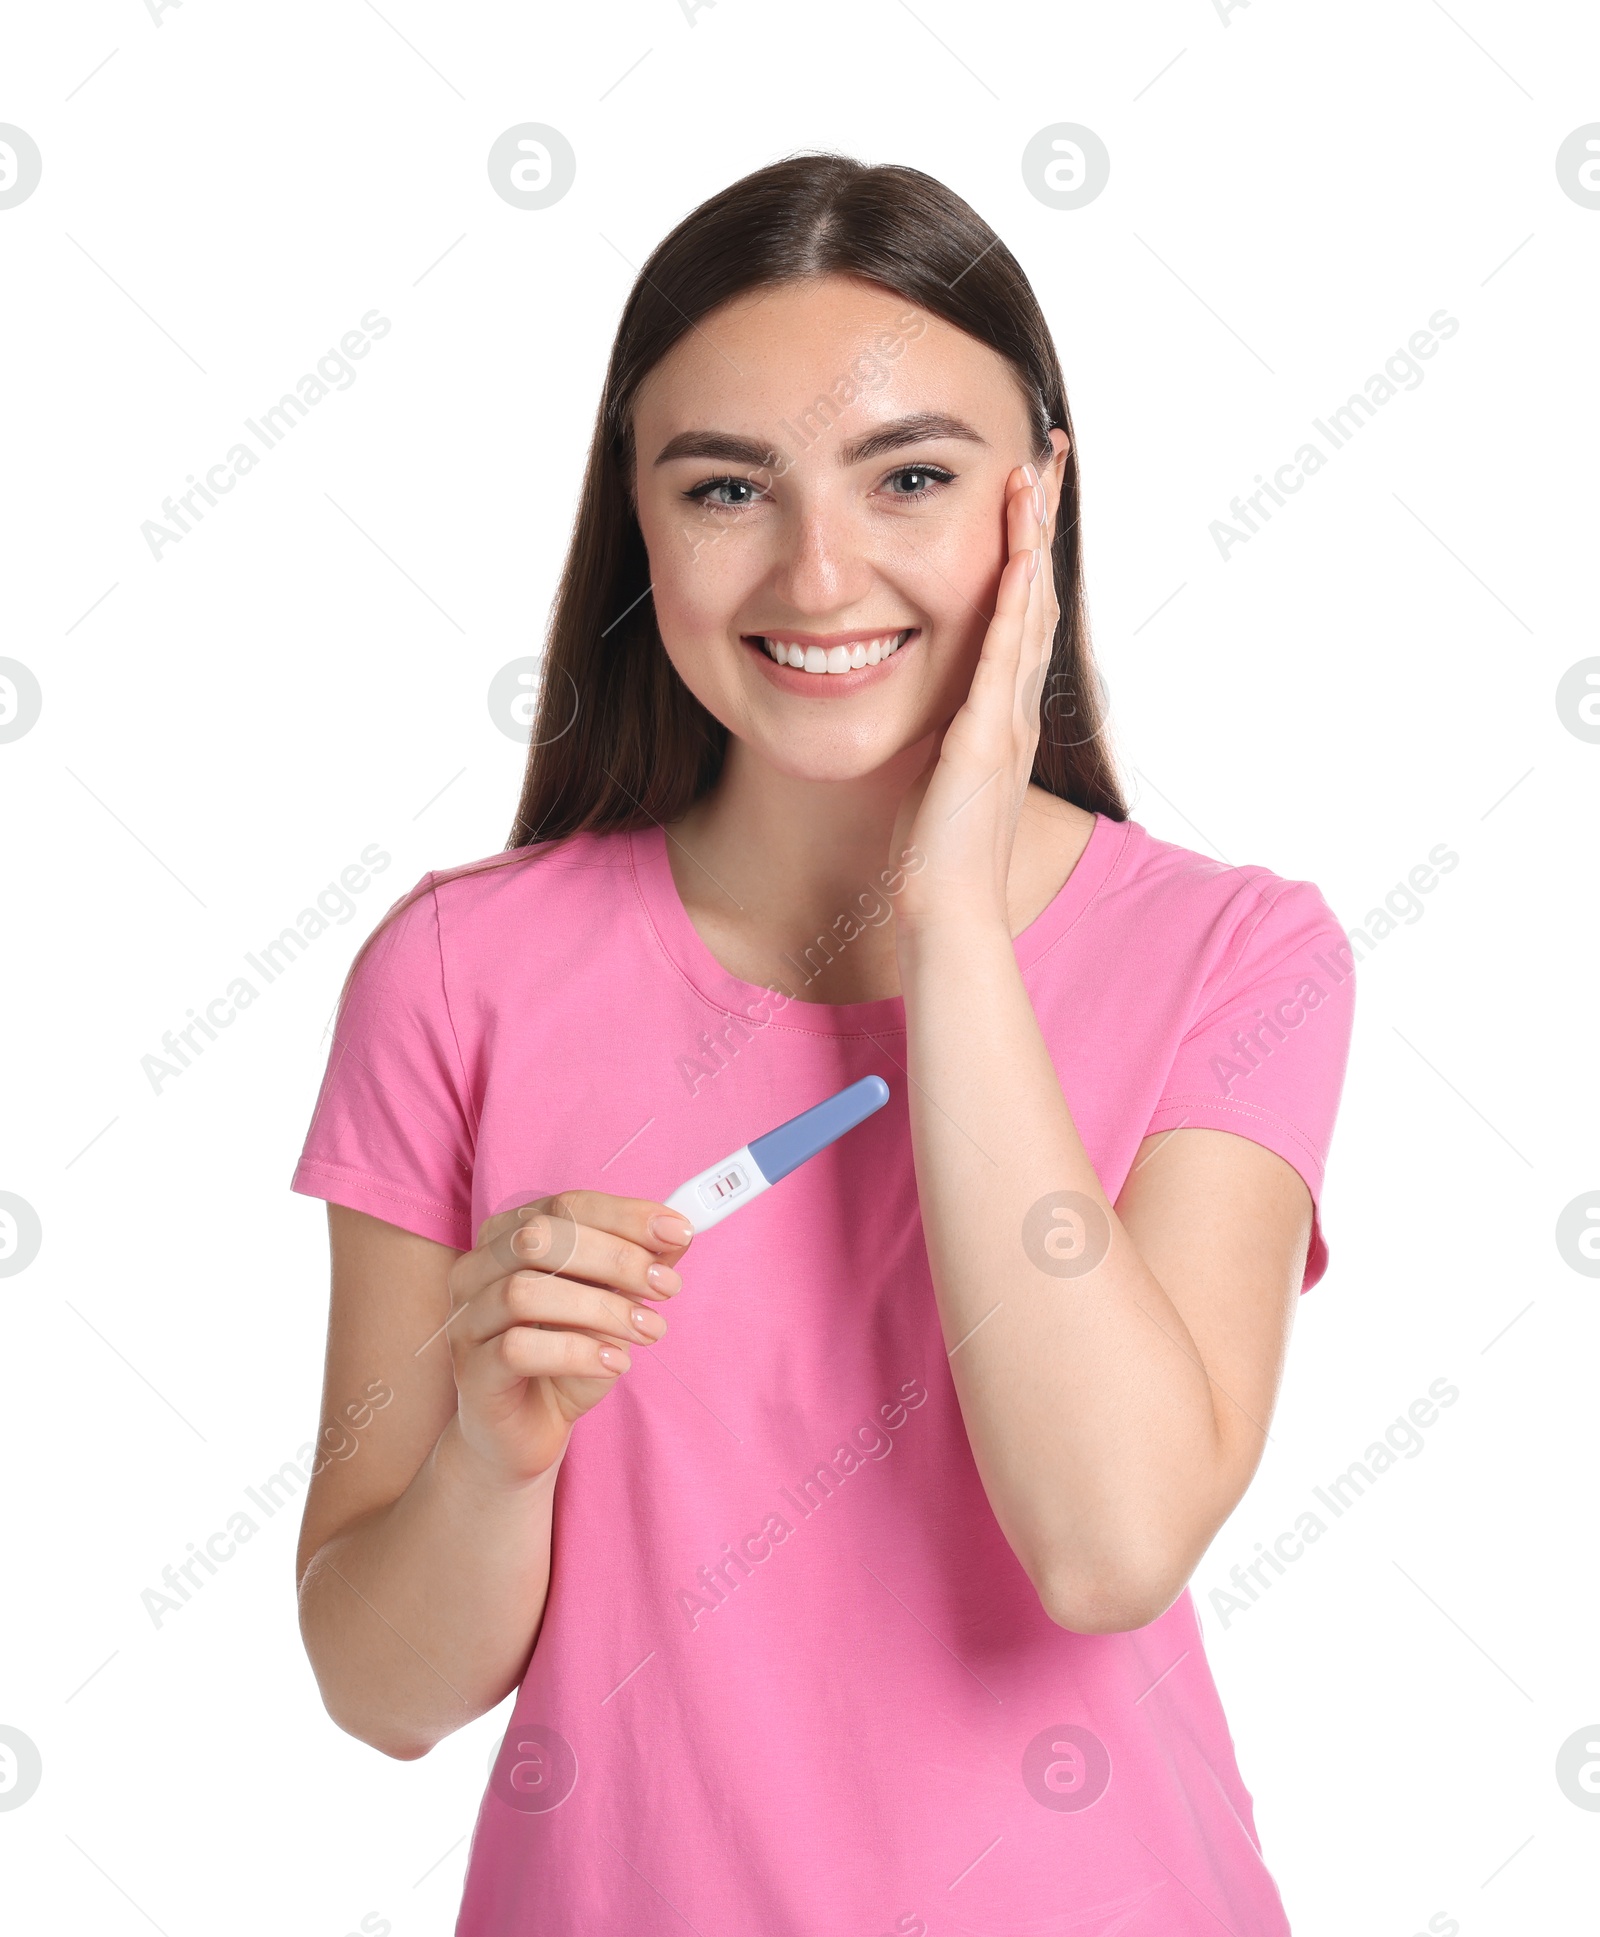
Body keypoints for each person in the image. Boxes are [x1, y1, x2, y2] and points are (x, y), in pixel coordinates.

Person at [291, 153, 1355, 1935]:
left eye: (913, 477)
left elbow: (1108, 1545)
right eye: (726, 488)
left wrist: (949, 920)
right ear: (638, 517)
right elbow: (379, 1688)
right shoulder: (456, 972)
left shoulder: (1236, 954)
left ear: (1041, 499)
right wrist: (491, 1450)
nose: (818, 569)